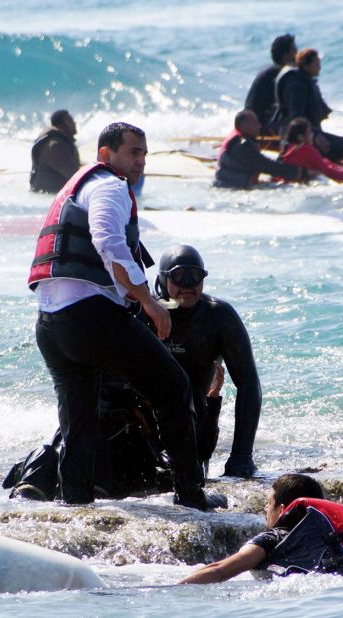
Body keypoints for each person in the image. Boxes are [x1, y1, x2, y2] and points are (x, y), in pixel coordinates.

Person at [28, 121, 224, 511]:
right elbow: (108, 240)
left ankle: (76, 501)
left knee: (79, 417)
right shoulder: (109, 186)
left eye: (145, 154)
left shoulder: (79, 187)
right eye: (133, 152)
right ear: (106, 155)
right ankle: (190, 494)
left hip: (51, 324)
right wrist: (147, 301)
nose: (141, 162)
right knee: (173, 386)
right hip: (89, 318)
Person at [149, 245, 261, 478]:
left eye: (196, 276)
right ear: (162, 278)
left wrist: (241, 457)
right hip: (148, 425)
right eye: (179, 276)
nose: (188, 284)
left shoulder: (218, 316)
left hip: (197, 427)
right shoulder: (147, 313)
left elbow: (249, 384)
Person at [177, 473, 343, 584]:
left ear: (283, 509)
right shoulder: (333, 535)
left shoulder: (276, 535)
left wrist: (175, 589)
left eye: (269, 503)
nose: (265, 508)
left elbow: (221, 570)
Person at [272, 48, 343, 162]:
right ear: (306, 65)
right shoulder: (297, 85)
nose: (319, 67)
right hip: (298, 135)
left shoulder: (305, 81)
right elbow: (295, 118)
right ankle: (321, 162)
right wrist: (314, 136)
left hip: (309, 132)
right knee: (342, 144)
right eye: (316, 63)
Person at [214, 109, 305, 189]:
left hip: (232, 185)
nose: (259, 126)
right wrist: (298, 172)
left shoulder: (240, 139)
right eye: (255, 123)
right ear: (243, 126)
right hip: (232, 188)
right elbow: (265, 165)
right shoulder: (241, 145)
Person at [278, 118, 343, 183]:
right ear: (301, 137)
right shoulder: (307, 149)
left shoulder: (291, 147)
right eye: (309, 133)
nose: (312, 135)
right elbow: (326, 170)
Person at [244, 34, 297, 136]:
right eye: (294, 50)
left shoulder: (271, 70)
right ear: (286, 55)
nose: (297, 54)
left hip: (250, 121)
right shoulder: (281, 73)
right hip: (260, 124)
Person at [30, 110, 82, 194]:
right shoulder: (54, 146)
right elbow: (73, 175)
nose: (74, 123)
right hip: (46, 194)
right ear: (61, 125)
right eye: (70, 121)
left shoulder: (61, 142)